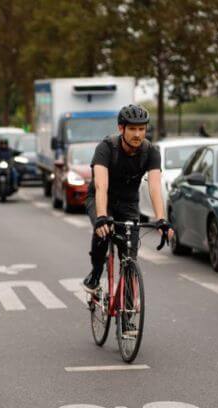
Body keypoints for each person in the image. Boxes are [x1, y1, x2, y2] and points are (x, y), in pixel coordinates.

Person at [82, 104, 172, 294]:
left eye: (141, 129)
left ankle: (129, 303)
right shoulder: (106, 148)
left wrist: (161, 219)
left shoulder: (151, 152)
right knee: (103, 232)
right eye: (132, 128)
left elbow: (155, 186)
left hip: (128, 203)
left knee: (129, 255)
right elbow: (101, 186)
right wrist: (101, 216)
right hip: (101, 199)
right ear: (121, 128)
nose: (137, 134)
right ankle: (96, 273)